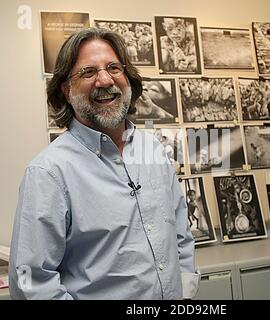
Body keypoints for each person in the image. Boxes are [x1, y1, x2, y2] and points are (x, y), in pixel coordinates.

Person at [9, 27, 200, 300]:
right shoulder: (48, 173)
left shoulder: (153, 150)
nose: (104, 80)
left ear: (127, 78)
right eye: (88, 72)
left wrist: (184, 291)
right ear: (66, 89)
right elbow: (31, 283)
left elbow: (180, 234)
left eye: (113, 67)